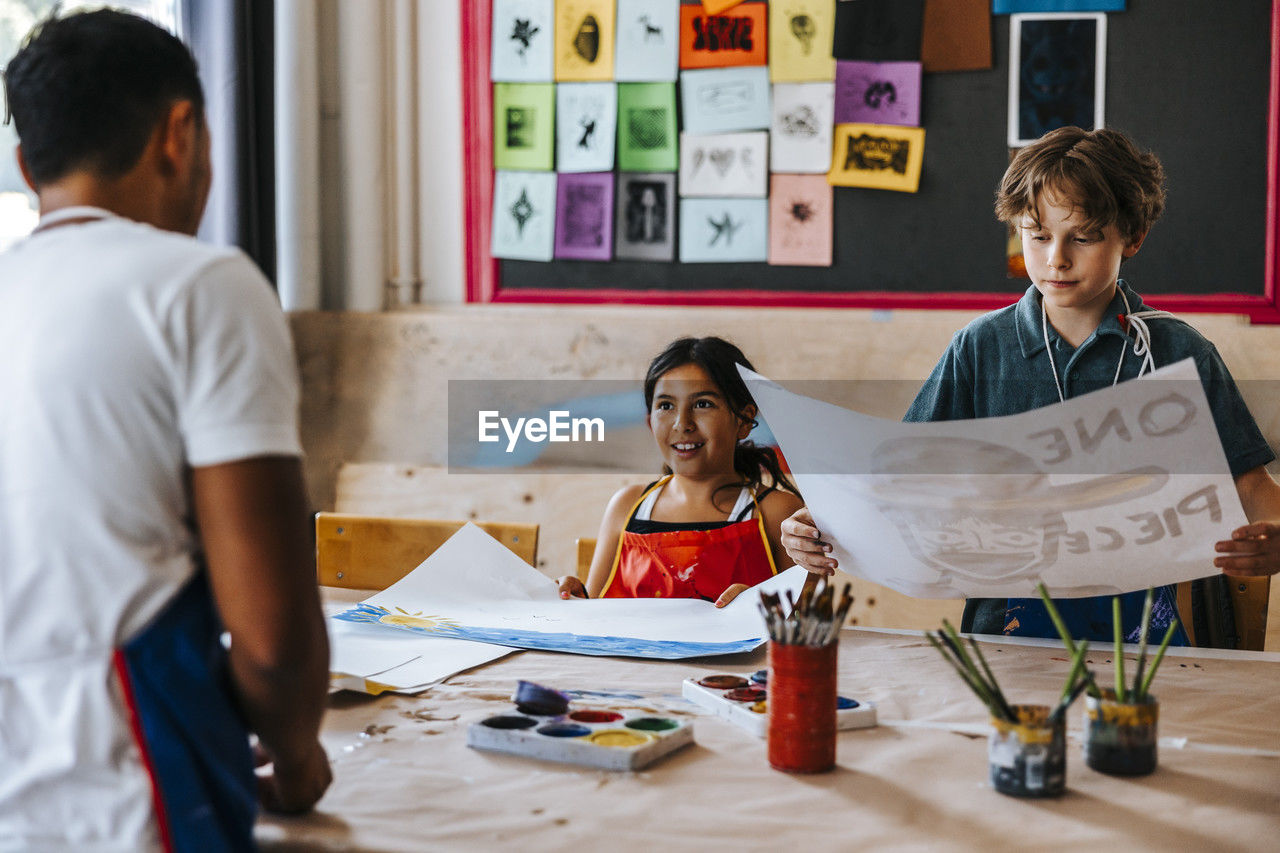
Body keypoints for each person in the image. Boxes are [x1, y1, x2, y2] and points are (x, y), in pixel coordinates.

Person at [0, 10, 330, 849]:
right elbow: (273, 636)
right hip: (125, 791)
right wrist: (296, 760)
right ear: (180, 133)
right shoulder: (199, 287)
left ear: (26, 165)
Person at [781, 126, 1280, 643]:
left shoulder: (1178, 352)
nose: (1055, 258)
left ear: (1132, 237)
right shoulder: (980, 348)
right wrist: (816, 525)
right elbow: (897, 485)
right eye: (1036, 235)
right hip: (1004, 637)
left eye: (1082, 237)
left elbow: (1253, 491)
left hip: (1143, 644)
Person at [557, 337, 804, 606]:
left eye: (703, 404)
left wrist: (761, 606)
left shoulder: (776, 512)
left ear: (744, 419)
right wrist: (574, 599)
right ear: (650, 422)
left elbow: (808, 625)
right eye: (665, 405)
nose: (681, 423)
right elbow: (593, 612)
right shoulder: (626, 506)